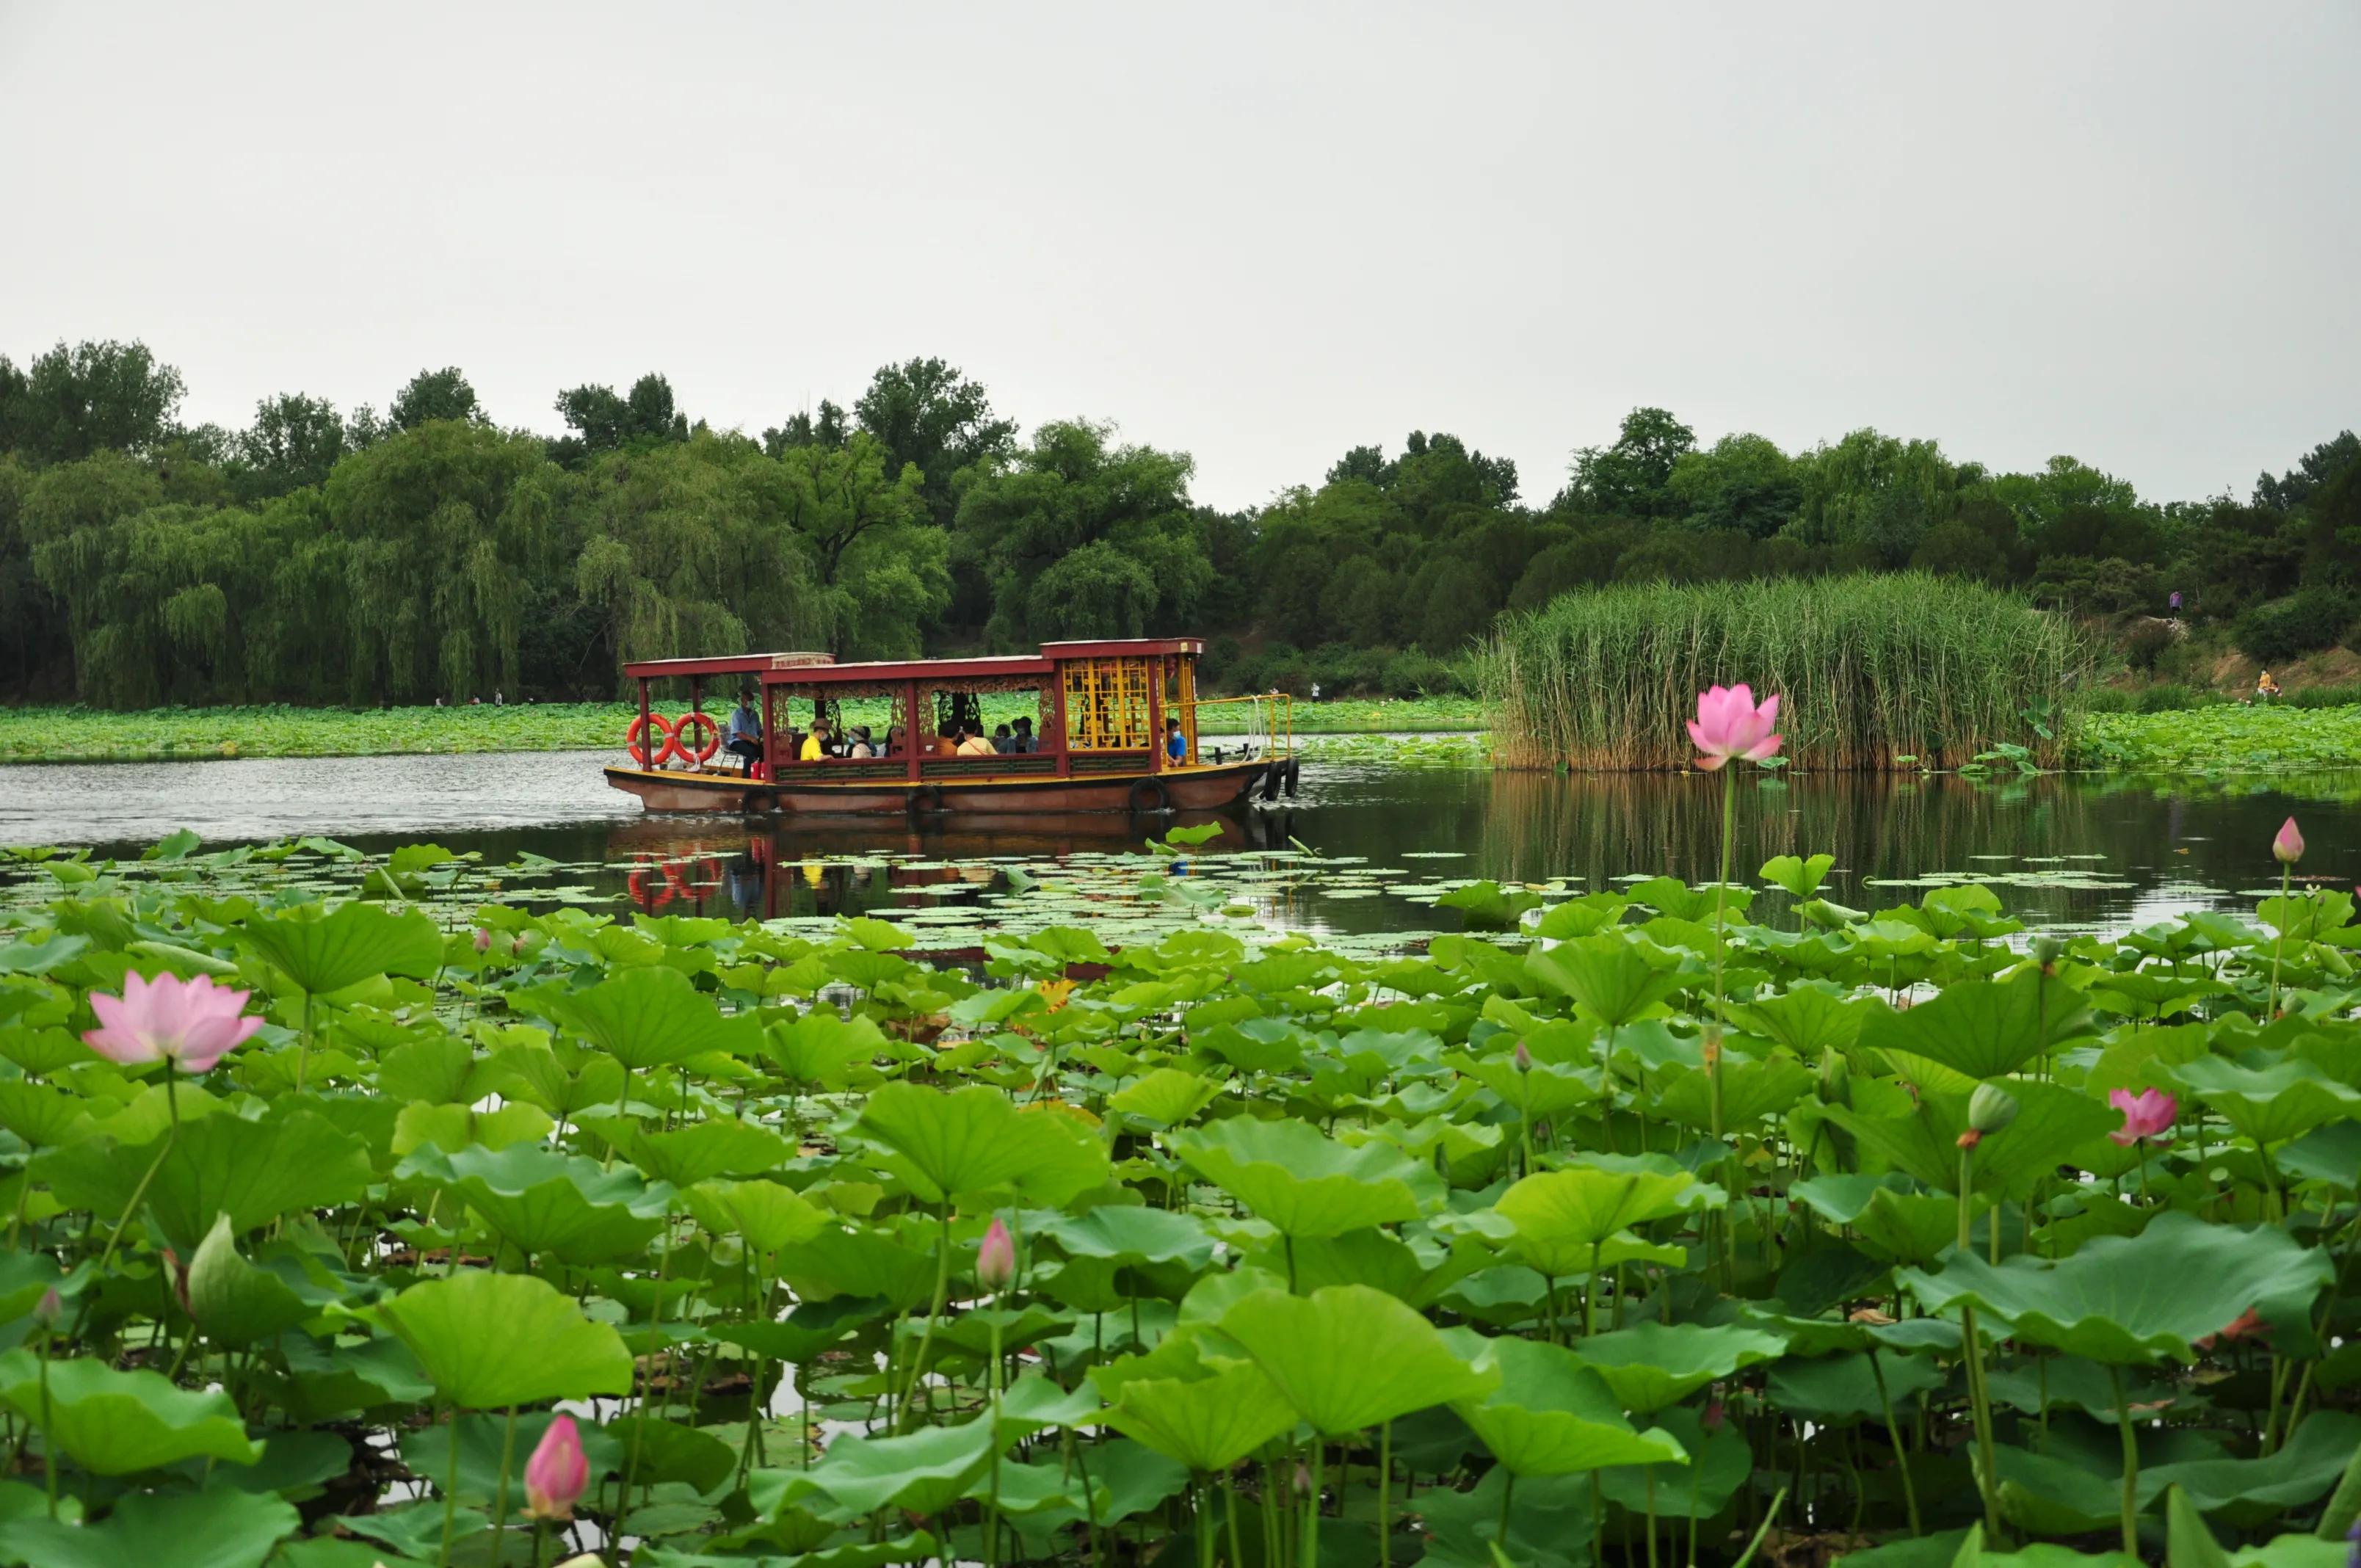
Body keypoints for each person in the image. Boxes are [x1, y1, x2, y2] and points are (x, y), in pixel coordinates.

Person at [722, 689, 764, 774]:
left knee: (764, 751)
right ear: (742, 701)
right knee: (751, 753)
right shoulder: (736, 714)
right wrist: (751, 739)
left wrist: (763, 736)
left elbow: (759, 730)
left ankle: (760, 773)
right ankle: (746, 777)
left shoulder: (755, 714)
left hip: (751, 741)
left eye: (752, 700)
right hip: (737, 742)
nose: (751, 702)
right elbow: (738, 734)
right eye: (749, 700)